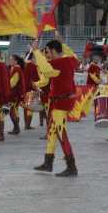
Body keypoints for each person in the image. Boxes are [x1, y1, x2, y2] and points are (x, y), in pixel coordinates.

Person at [31, 38, 79, 177]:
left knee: (60, 133)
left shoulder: (58, 63)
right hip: (60, 102)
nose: (47, 54)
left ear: (52, 51)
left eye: (47, 51)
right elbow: (73, 56)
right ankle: (48, 162)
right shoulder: (70, 60)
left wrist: (35, 51)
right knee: (52, 132)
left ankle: (71, 166)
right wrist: (62, 43)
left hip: (60, 103)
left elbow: (46, 70)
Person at [7, 55, 26, 135]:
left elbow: (12, 83)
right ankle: (16, 128)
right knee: (14, 111)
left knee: (12, 111)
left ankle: (16, 127)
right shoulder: (13, 68)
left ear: (16, 61)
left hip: (14, 94)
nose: (10, 61)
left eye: (11, 59)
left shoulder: (17, 70)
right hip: (14, 94)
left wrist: (5, 86)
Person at [23, 52, 40, 130]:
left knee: (25, 106)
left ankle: (26, 123)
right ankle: (28, 125)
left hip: (24, 88)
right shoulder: (34, 66)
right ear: (32, 57)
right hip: (31, 88)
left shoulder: (23, 65)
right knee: (30, 107)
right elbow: (37, 78)